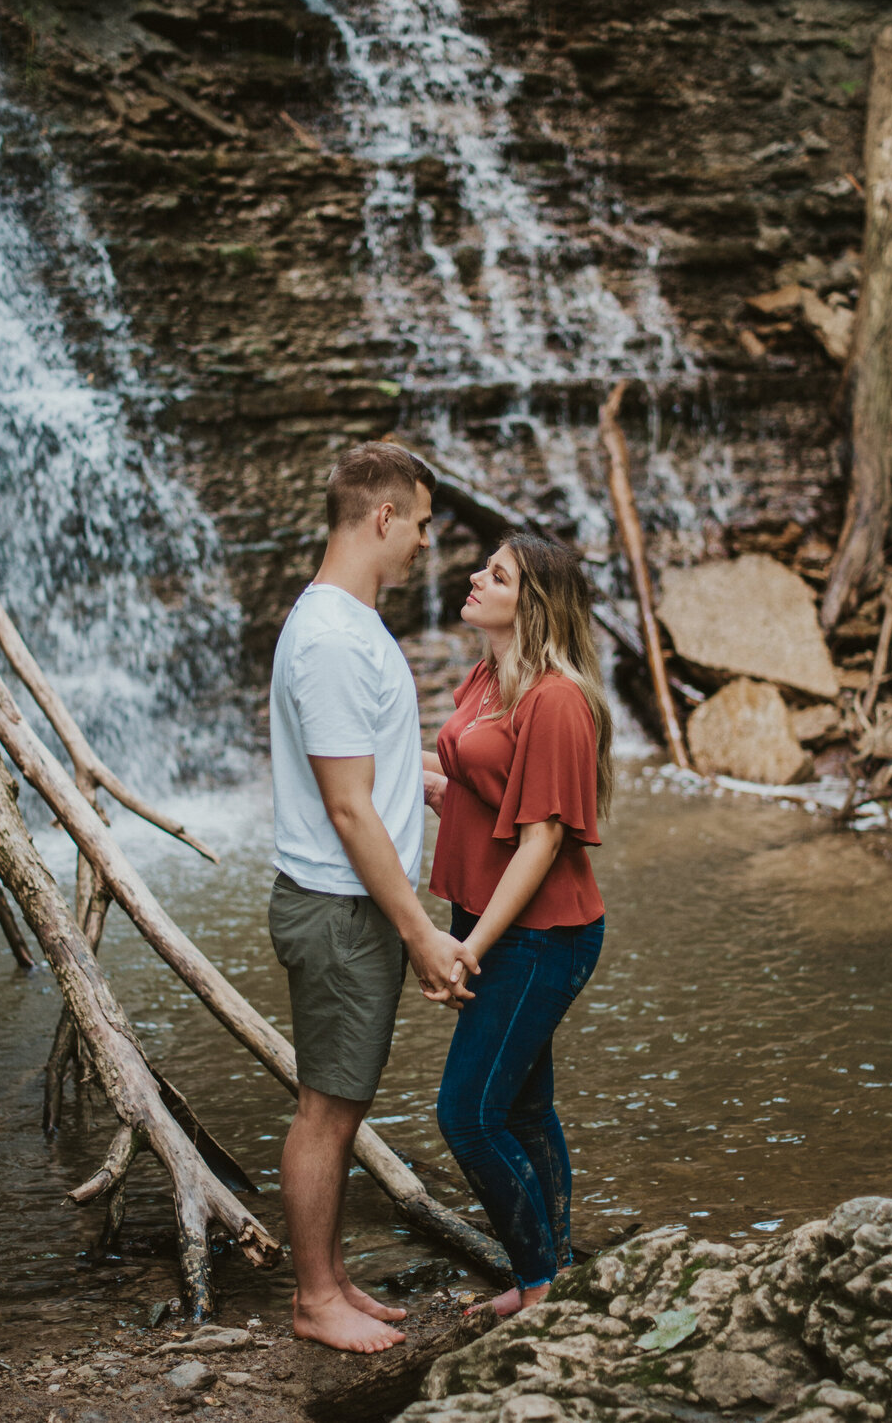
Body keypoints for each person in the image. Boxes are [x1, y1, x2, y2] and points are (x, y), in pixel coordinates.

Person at [268, 441, 479, 1355]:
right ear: (384, 516)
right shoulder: (328, 639)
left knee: (341, 1103)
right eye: (424, 524)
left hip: (350, 905)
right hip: (342, 909)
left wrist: (426, 777)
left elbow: (365, 774)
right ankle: (315, 1298)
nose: (428, 545)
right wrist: (422, 933)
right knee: (327, 1110)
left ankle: (333, 1275)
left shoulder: (348, 624)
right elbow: (348, 810)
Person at [424, 533, 613, 1319]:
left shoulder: (557, 700)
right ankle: (554, 1273)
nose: (474, 577)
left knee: (466, 1115)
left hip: (541, 934)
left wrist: (472, 945)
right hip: (496, 921)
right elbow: (466, 781)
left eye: (495, 574)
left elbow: (542, 840)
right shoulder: (489, 675)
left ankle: (537, 1281)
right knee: (525, 1109)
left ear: (532, 605)